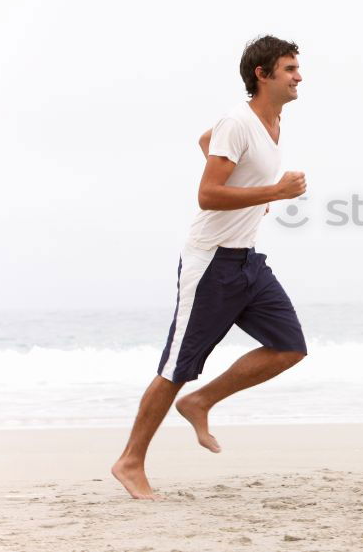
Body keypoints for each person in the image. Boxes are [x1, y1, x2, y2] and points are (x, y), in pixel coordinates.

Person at [112, 35, 308, 499]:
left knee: (289, 346)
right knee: (177, 365)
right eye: (289, 69)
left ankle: (201, 401)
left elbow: (207, 143)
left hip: (247, 260)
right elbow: (207, 194)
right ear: (262, 75)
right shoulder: (238, 121)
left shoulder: (272, 121)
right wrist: (271, 194)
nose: (299, 76)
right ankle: (130, 461)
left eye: (297, 67)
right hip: (211, 261)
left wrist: (252, 197)